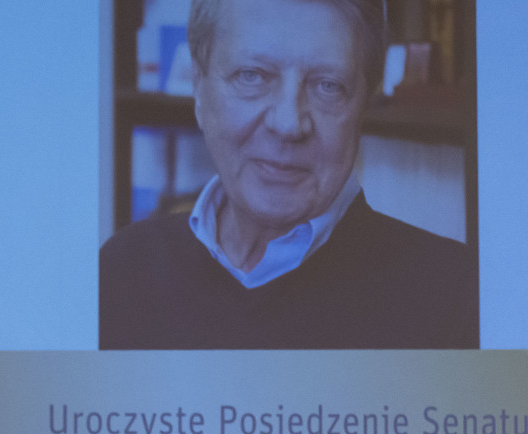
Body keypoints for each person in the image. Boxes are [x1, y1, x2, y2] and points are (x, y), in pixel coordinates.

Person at [98, 0, 477, 351]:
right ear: (199, 89)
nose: (288, 124)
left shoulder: (457, 300)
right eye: (252, 76)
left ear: (365, 103)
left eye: (328, 86)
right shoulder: (121, 274)